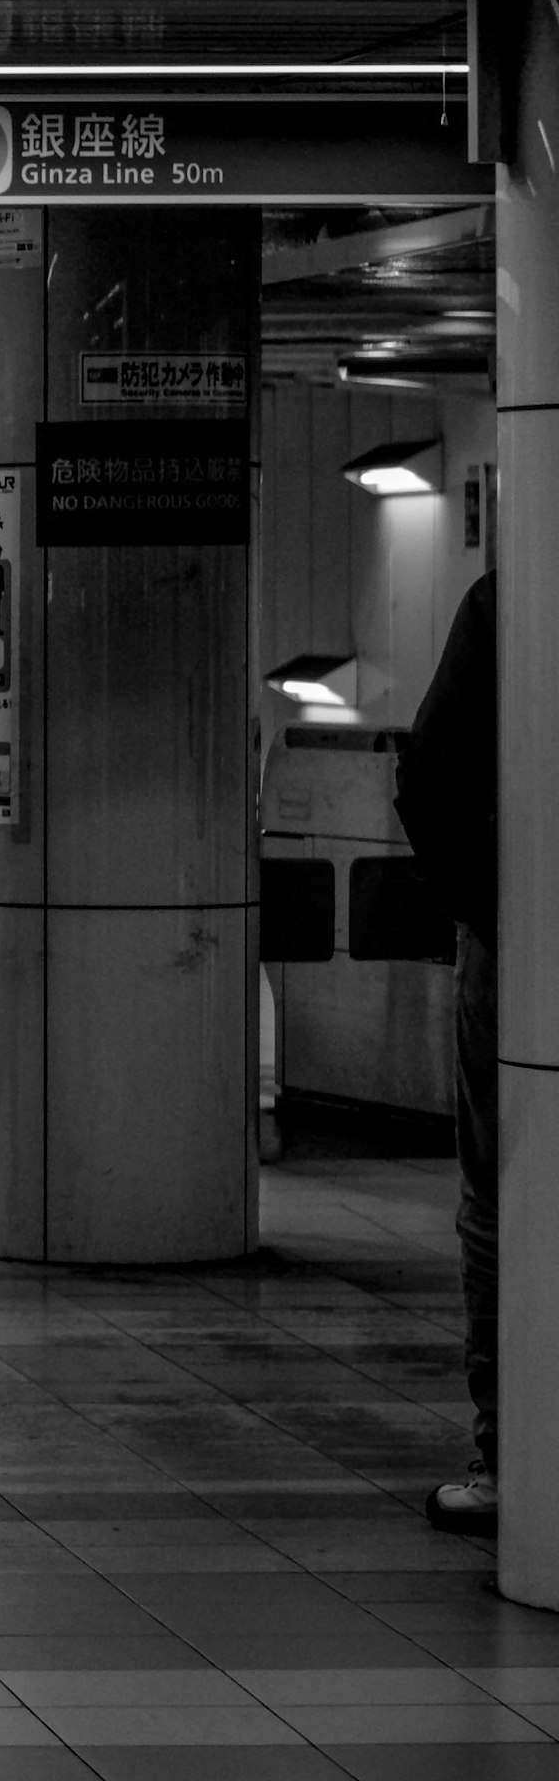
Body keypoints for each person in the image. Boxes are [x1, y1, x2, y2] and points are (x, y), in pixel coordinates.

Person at [398, 567, 498, 1535]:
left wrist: (492, 906)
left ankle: (512, 1454)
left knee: (499, 1195)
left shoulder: (505, 603)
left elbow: (426, 781)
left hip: (518, 949)